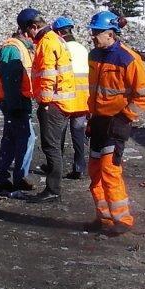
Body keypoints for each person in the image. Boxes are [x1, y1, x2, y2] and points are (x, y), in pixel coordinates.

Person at [85, 12, 145, 236]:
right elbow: (94, 92)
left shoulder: (128, 59)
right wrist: (90, 118)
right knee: (94, 171)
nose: (93, 37)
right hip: (98, 122)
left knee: (109, 170)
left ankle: (122, 219)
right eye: (92, 32)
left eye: (97, 33)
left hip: (117, 122)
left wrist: (125, 117)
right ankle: (104, 217)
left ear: (111, 34)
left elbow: (144, 95)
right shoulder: (94, 55)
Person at [23, 9, 83, 202]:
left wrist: (45, 102)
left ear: (34, 26)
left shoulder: (47, 43)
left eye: (27, 30)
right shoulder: (55, 39)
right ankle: (53, 187)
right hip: (62, 102)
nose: (27, 35)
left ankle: (53, 189)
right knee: (54, 145)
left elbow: (48, 75)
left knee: (51, 146)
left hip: (54, 103)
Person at [0, 9, 37, 194]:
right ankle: (18, 178)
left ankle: (3, 178)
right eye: (36, 28)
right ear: (29, 28)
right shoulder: (13, 48)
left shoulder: (22, 47)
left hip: (17, 101)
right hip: (15, 103)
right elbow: (10, 80)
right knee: (27, 138)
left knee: (10, 140)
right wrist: (15, 106)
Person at [52, 16, 89, 179]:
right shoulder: (82, 48)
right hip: (83, 100)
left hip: (65, 100)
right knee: (78, 136)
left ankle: (55, 167)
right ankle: (79, 167)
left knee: (57, 135)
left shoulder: (62, 48)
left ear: (59, 32)